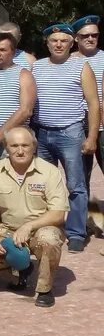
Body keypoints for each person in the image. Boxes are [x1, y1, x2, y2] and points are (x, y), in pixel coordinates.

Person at [0, 127, 67, 308]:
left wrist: (29, 227)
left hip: (40, 227)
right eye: (14, 146)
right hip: (7, 228)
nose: (20, 151)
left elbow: (58, 214)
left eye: (25, 145)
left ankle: (44, 289)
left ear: (34, 147)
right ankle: (23, 269)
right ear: (6, 148)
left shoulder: (49, 172)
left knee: (48, 239)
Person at [31, 22, 99, 252]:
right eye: (54, 41)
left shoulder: (82, 66)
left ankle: (76, 233)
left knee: (76, 185)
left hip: (71, 132)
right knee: (42, 185)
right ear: (47, 44)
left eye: (64, 41)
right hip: (42, 133)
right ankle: (48, 229)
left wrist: (91, 137)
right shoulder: (37, 67)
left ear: (72, 43)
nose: (58, 44)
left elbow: (93, 104)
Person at [0, 32, 35, 164]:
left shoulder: (24, 74)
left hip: (14, 140)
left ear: (13, 52)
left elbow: (26, 110)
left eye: (3, 50)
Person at [71, 14, 104, 185]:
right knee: (81, 177)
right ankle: (83, 211)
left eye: (95, 35)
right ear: (76, 38)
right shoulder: (68, 61)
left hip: (103, 125)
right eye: (85, 35)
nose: (91, 38)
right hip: (78, 126)